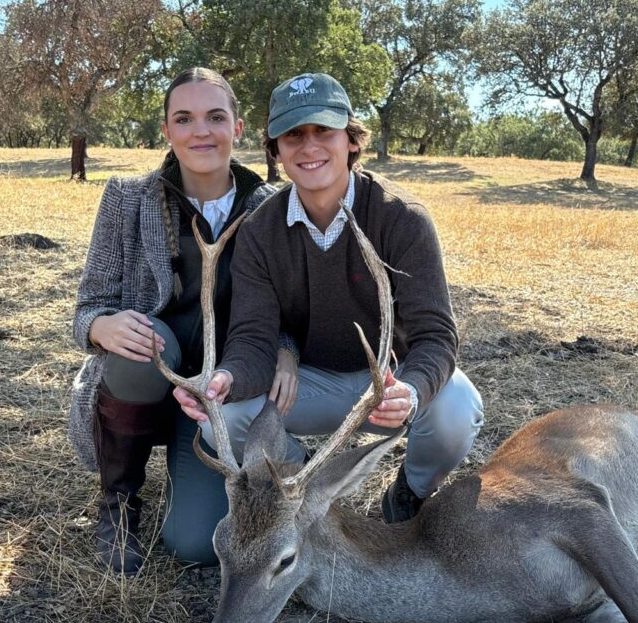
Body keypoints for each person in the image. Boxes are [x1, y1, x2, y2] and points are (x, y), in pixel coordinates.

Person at [175, 72, 484, 524]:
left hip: (388, 382)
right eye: (293, 134)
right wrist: (225, 378)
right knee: (227, 415)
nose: (310, 146)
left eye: (324, 131)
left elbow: (436, 335)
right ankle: (302, 488)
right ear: (276, 150)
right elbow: (252, 339)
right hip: (308, 383)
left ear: (351, 140)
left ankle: (410, 494)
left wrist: (412, 391)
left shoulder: (402, 218)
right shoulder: (260, 230)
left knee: (457, 407)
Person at [69, 67, 303, 574]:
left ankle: (244, 463)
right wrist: (99, 327)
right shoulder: (127, 198)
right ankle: (119, 502)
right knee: (142, 345)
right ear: (167, 131)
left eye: (216, 117)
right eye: (185, 118)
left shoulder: (272, 207)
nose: (202, 131)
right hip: (151, 373)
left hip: (219, 395)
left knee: (195, 546)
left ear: (238, 129)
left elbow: (284, 309)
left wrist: (287, 350)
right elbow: (88, 306)